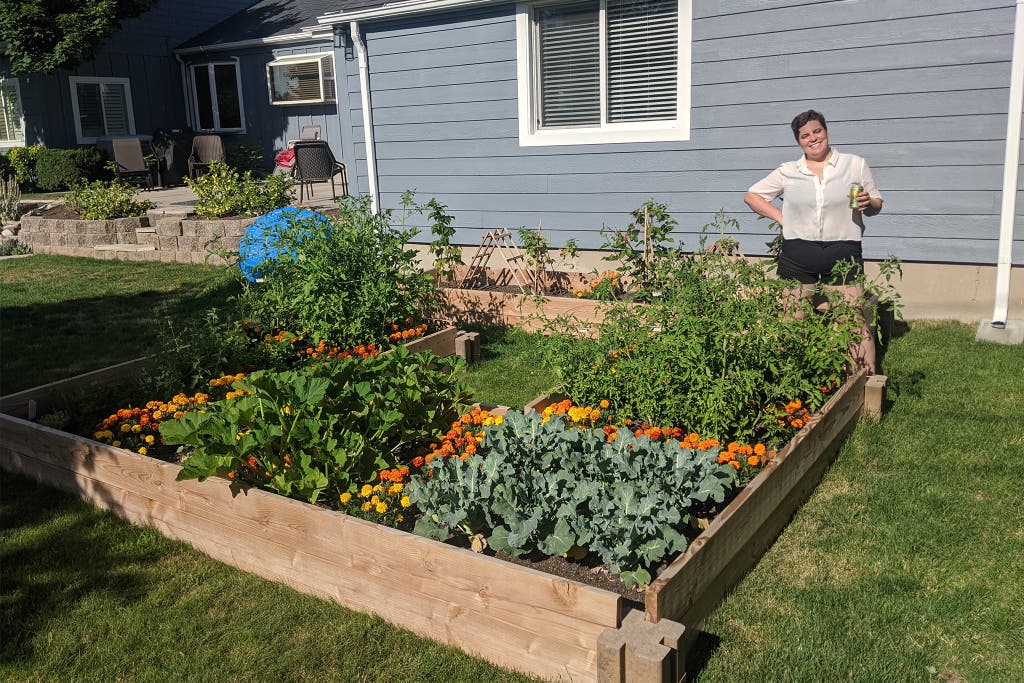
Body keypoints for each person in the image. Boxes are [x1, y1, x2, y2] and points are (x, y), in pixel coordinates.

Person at [744, 110, 883, 373]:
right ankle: (789, 380)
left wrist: (869, 203)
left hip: (843, 249)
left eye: (817, 131)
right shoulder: (789, 171)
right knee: (791, 318)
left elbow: (876, 204)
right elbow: (752, 196)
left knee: (851, 320)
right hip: (798, 251)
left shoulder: (854, 164)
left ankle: (864, 386)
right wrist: (781, 218)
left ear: (826, 131)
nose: (813, 138)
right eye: (805, 135)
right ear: (799, 142)